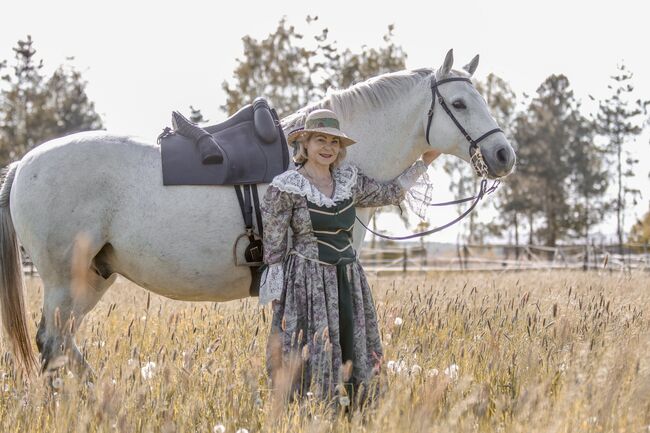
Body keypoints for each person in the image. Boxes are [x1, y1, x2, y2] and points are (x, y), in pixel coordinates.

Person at [259, 108, 439, 408]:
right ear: (305, 144)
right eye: (320, 140)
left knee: (354, 343)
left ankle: (358, 408)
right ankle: (313, 408)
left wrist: (423, 163)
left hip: (348, 277)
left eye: (334, 142)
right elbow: (274, 243)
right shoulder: (287, 186)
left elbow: (390, 192)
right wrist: (278, 293)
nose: (328, 148)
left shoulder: (348, 180)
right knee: (310, 349)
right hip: (308, 280)